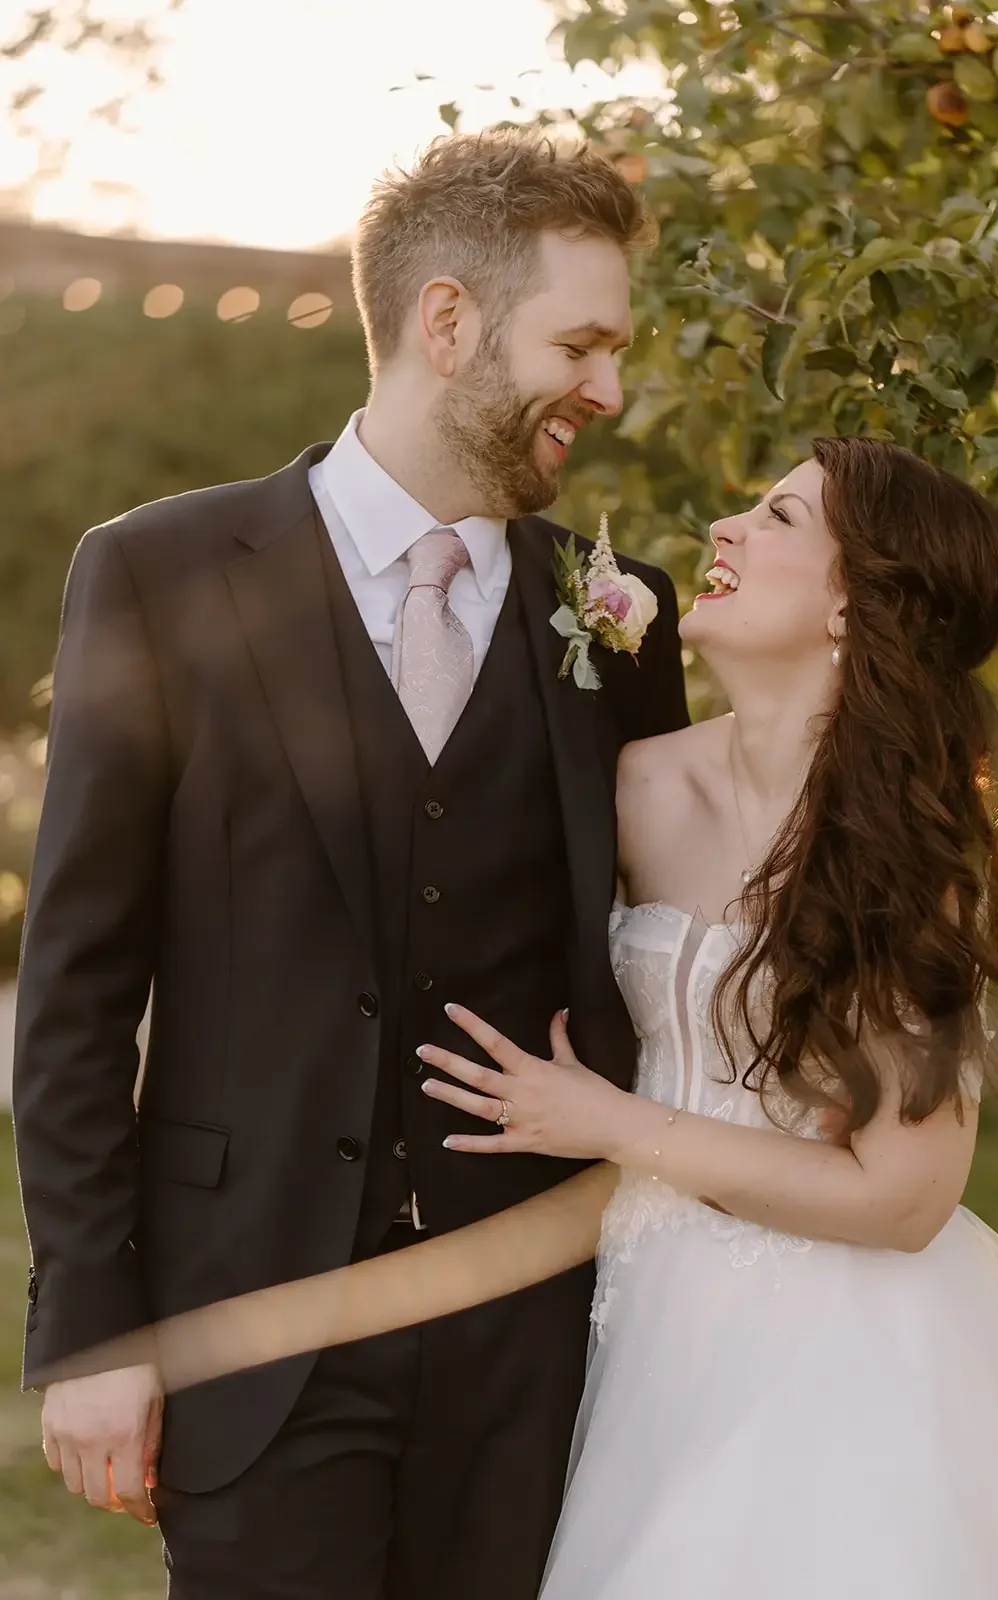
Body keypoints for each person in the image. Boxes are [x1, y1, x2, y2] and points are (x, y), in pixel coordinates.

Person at [11, 131, 689, 1599]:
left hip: (532, 1339)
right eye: (578, 342)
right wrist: (94, 1331)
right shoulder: (159, 571)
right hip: (253, 1323)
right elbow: (75, 988)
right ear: (444, 322)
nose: (608, 390)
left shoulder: (615, 615)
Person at [417, 437, 998, 1597]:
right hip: (624, 1312)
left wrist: (608, 1122)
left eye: (775, 518)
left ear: (850, 601)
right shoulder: (631, 783)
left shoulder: (906, 854)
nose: (722, 531)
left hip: (830, 1339)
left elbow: (904, 1196)